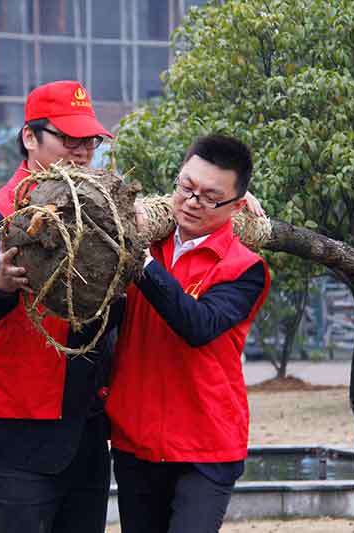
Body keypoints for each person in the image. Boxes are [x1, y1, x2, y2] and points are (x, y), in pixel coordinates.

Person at [0, 80, 114, 533]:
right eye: (69, 140)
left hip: (84, 432)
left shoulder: (102, 213)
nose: (82, 152)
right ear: (30, 137)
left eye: (89, 141)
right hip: (15, 433)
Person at [105, 134, 271, 533]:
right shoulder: (151, 242)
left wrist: (141, 261)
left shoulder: (244, 269)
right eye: (186, 187)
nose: (192, 202)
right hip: (136, 442)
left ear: (238, 205)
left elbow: (196, 326)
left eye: (210, 197)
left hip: (206, 448)